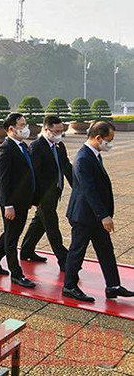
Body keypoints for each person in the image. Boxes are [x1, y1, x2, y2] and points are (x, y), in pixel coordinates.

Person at [62, 121, 134, 302]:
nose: (110, 144)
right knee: (77, 251)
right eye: (108, 140)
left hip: (93, 215)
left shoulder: (94, 154)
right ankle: (69, 287)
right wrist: (104, 216)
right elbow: (89, 191)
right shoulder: (84, 158)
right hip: (84, 216)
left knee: (105, 250)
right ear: (98, 138)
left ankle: (113, 286)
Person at [0, 113, 37, 288]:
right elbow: (4, 181)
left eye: (25, 124)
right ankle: (16, 274)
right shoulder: (6, 149)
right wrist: (8, 205)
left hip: (22, 200)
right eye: (21, 125)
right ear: (11, 129)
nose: (25, 128)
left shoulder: (23, 146)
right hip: (11, 203)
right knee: (12, 239)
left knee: (11, 233)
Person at [20, 115, 73, 270]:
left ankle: (26, 250)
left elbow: (66, 166)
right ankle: (64, 259)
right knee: (51, 225)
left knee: (39, 223)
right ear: (46, 129)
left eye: (61, 131)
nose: (59, 134)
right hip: (43, 196)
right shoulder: (37, 147)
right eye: (56, 131)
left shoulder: (59, 146)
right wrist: (32, 198)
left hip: (55, 192)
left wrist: (77, 186)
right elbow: (33, 175)